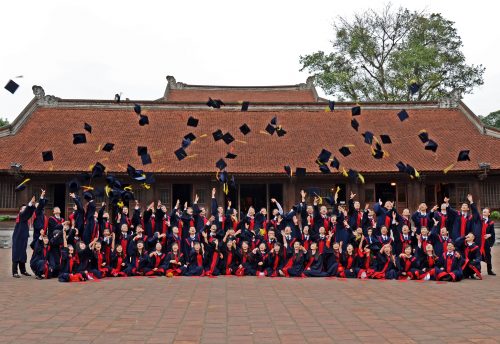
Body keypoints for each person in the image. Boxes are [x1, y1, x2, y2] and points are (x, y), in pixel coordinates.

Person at [12, 195, 36, 278]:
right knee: (16, 253)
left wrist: (32, 204)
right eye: (24, 208)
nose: (26, 209)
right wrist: (30, 203)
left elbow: (29, 212)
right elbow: (26, 212)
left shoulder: (25, 217)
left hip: (23, 237)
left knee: (22, 253)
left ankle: (23, 270)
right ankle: (14, 272)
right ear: (20, 210)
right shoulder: (21, 215)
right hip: (18, 238)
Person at [476, 207, 496, 275]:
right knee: (478, 255)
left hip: (486, 242)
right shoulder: (479, 220)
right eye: (483, 211)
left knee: (488, 255)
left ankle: (489, 270)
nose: (484, 212)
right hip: (479, 241)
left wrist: (489, 235)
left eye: (485, 211)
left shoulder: (491, 222)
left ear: (489, 213)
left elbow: (492, 233)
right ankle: (478, 270)